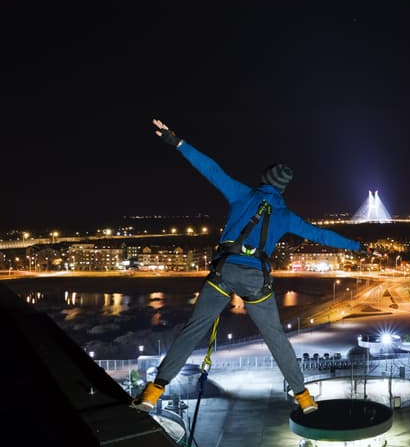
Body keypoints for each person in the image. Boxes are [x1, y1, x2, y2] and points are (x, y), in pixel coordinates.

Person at [133, 118, 364, 415]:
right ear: (283, 189)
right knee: (276, 338)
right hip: (256, 281)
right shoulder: (286, 216)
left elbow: (211, 169)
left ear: (265, 179)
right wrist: (359, 247)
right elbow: (322, 234)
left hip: (224, 273)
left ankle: (154, 391)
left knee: (193, 331)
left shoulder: (242, 195)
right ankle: (304, 397)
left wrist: (176, 142)